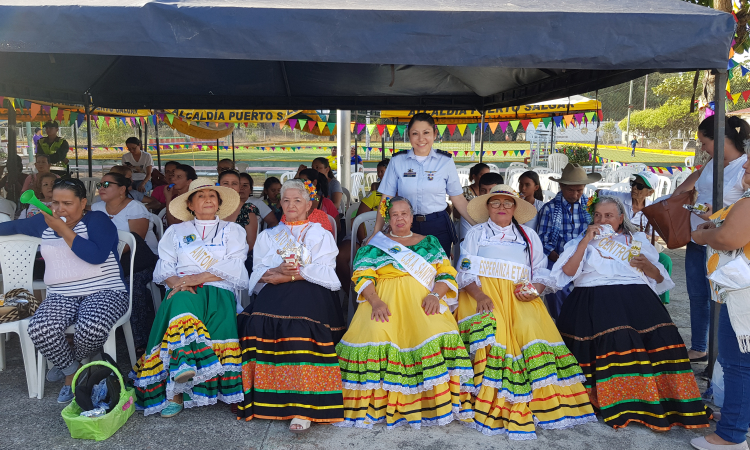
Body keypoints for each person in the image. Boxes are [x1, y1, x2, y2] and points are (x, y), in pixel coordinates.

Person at [550, 195, 710, 431]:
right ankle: (622, 401)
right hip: (595, 294)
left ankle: (665, 398)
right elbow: (567, 272)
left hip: (636, 295)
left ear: (621, 218)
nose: (602, 220)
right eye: (597, 215)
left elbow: (657, 278)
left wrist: (647, 266)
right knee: (619, 336)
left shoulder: (636, 240)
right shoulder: (580, 242)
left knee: (665, 335)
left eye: (608, 216)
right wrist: (585, 240)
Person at [455, 186, 595, 438]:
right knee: (493, 332)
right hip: (482, 292)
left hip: (520, 292)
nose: (501, 208)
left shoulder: (528, 235)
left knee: (530, 330)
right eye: (495, 203)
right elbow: (465, 269)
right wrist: (479, 295)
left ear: (515, 208)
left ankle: (538, 397)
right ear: (487, 207)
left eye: (507, 203)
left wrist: (535, 290)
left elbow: (541, 271)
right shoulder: (476, 233)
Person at [336, 196, 472, 428]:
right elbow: (363, 276)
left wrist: (435, 295)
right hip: (382, 301)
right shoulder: (374, 245)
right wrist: (376, 301)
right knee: (375, 332)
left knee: (437, 330)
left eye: (404, 214)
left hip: (425, 300)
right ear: (388, 218)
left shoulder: (429, 242)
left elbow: (446, 274)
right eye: (395, 214)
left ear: (412, 216)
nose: (400, 219)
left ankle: (432, 402)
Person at [0, 178, 129, 403]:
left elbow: (95, 256)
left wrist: (61, 229)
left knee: (91, 327)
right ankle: (72, 371)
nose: (60, 209)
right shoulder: (44, 221)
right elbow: (12, 227)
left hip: (105, 290)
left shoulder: (97, 220)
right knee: (40, 328)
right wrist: (54, 224)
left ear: (82, 203)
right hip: (62, 293)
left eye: (67, 203)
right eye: (55, 202)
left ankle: (71, 365)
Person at [130, 178, 248, 417]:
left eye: (212, 196)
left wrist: (195, 279)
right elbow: (164, 268)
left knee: (186, 304)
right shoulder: (176, 232)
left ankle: (190, 379)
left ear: (218, 204)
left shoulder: (233, 231)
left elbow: (236, 267)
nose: (207, 200)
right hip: (181, 288)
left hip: (218, 289)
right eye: (201, 196)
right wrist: (179, 284)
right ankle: (176, 391)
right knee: (181, 302)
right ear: (190, 205)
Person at [237, 179, 345, 432]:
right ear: (280, 203)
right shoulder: (269, 235)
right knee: (255, 323)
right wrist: (276, 270)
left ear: (309, 204)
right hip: (276, 290)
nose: (291, 204)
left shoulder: (321, 234)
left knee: (300, 330)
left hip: (311, 290)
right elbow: (258, 272)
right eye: (286, 200)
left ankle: (303, 408)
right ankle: (264, 401)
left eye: (298, 200)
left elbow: (326, 272)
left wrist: (293, 275)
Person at [673, 115, 749, 362]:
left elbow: (741, 210)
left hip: (725, 247)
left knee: (722, 299)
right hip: (697, 239)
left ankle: (722, 351)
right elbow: (681, 190)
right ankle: (699, 346)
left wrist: (716, 212)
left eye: (705, 142)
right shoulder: (710, 163)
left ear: (720, 139)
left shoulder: (744, 167)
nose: (702, 148)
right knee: (697, 295)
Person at [690, 158, 750, 450]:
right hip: (739, 293)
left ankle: (730, 435)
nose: (747, 164)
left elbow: (728, 238)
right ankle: (737, 417)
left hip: (742, 296)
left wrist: (703, 236)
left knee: (738, 364)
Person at [372, 113, 475, 256]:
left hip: (437, 226)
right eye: (415, 133)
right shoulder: (397, 161)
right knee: (406, 272)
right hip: (404, 225)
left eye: (426, 132)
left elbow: (457, 199)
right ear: (409, 135)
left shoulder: (445, 161)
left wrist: (478, 226)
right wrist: (376, 232)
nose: (421, 139)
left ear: (435, 134)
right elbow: (386, 199)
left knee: (437, 271)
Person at [92, 172, 159, 355]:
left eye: (107, 184)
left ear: (122, 189)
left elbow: (134, 242)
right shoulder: (96, 208)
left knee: (132, 284)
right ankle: (94, 334)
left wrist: (103, 258)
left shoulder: (135, 207)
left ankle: (140, 339)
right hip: (107, 261)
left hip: (139, 261)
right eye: (100, 184)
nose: (101, 187)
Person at [536, 163, 601, 320]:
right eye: (571, 190)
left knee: (596, 285)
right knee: (556, 286)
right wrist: (563, 261)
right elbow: (543, 241)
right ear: (561, 187)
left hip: (587, 257)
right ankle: (563, 323)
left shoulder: (591, 207)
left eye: (579, 190)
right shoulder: (549, 209)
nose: (575, 194)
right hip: (557, 257)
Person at [598, 171, 673, 304]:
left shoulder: (652, 208)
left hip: (640, 245)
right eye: (633, 183)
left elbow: (655, 236)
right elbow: (598, 192)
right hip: (616, 242)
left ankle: (659, 300)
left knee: (665, 260)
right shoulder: (619, 198)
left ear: (650, 192)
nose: (634, 188)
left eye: (639, 186)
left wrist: (641, 236)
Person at [218, 170, 259, 273]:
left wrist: (228, 261)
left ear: (239, 187)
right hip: (211, 261)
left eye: (234, 184)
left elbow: (250, 244)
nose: (230, 187)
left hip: (239, 263)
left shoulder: (247, 209)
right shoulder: (211, 207)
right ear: (218, 185)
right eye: (225, 183)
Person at [285, 170, 334, 235]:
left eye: (304, 181)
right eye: (299, 181)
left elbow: (329, 235)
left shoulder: (321, 215)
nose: (301, 184)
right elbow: (281, 231)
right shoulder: (290, 210)